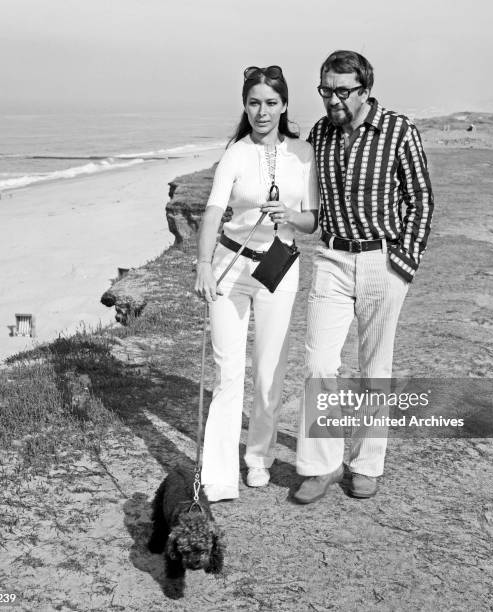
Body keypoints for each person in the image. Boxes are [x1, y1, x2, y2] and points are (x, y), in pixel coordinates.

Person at [294, 50, 434, 504]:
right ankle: (323, 465)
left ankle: (366, 465)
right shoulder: (320, 133)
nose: (332, 99)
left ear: (365, 90)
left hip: (382, 261)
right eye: (325, 90)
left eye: (342, 91)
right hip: (331, 259)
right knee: (319, 363)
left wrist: (403, 266)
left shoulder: (399, 131)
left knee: (375, 369)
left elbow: (421, 201)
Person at [195, 65, 319, 503]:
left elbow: (312, 219)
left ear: (284, 105)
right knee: (230, 376)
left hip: (278, 269)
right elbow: (213, 213)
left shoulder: (303, 154)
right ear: (244, 106)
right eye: (253, 103)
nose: (261, 112)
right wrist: (204, 265)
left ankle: (258, 460)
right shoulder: (235, 153)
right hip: (232, 266)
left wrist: (290, 215)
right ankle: (219, 474)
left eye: (270, 103)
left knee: (269, 373)